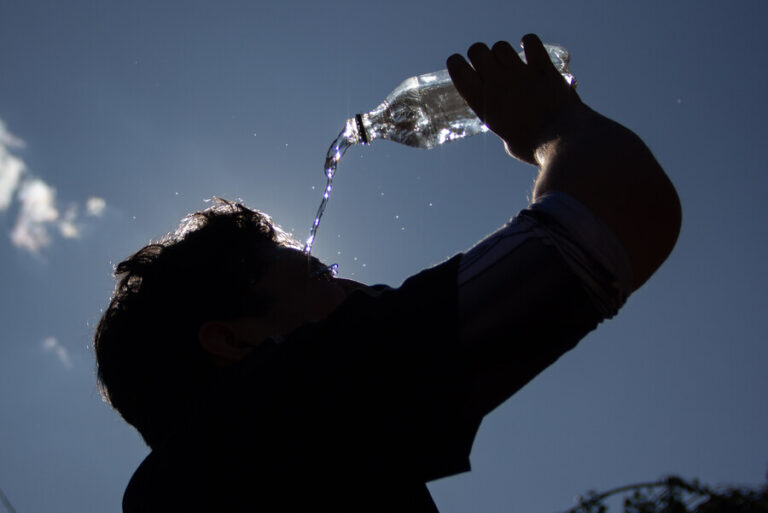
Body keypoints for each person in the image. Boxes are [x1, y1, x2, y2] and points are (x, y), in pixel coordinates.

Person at [94, 34, 681, 512]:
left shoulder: (223, 472)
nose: (362, 289)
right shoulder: (290, 410)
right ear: (232, 340)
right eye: (321, 278)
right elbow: (619, 209)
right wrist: (554, 124)